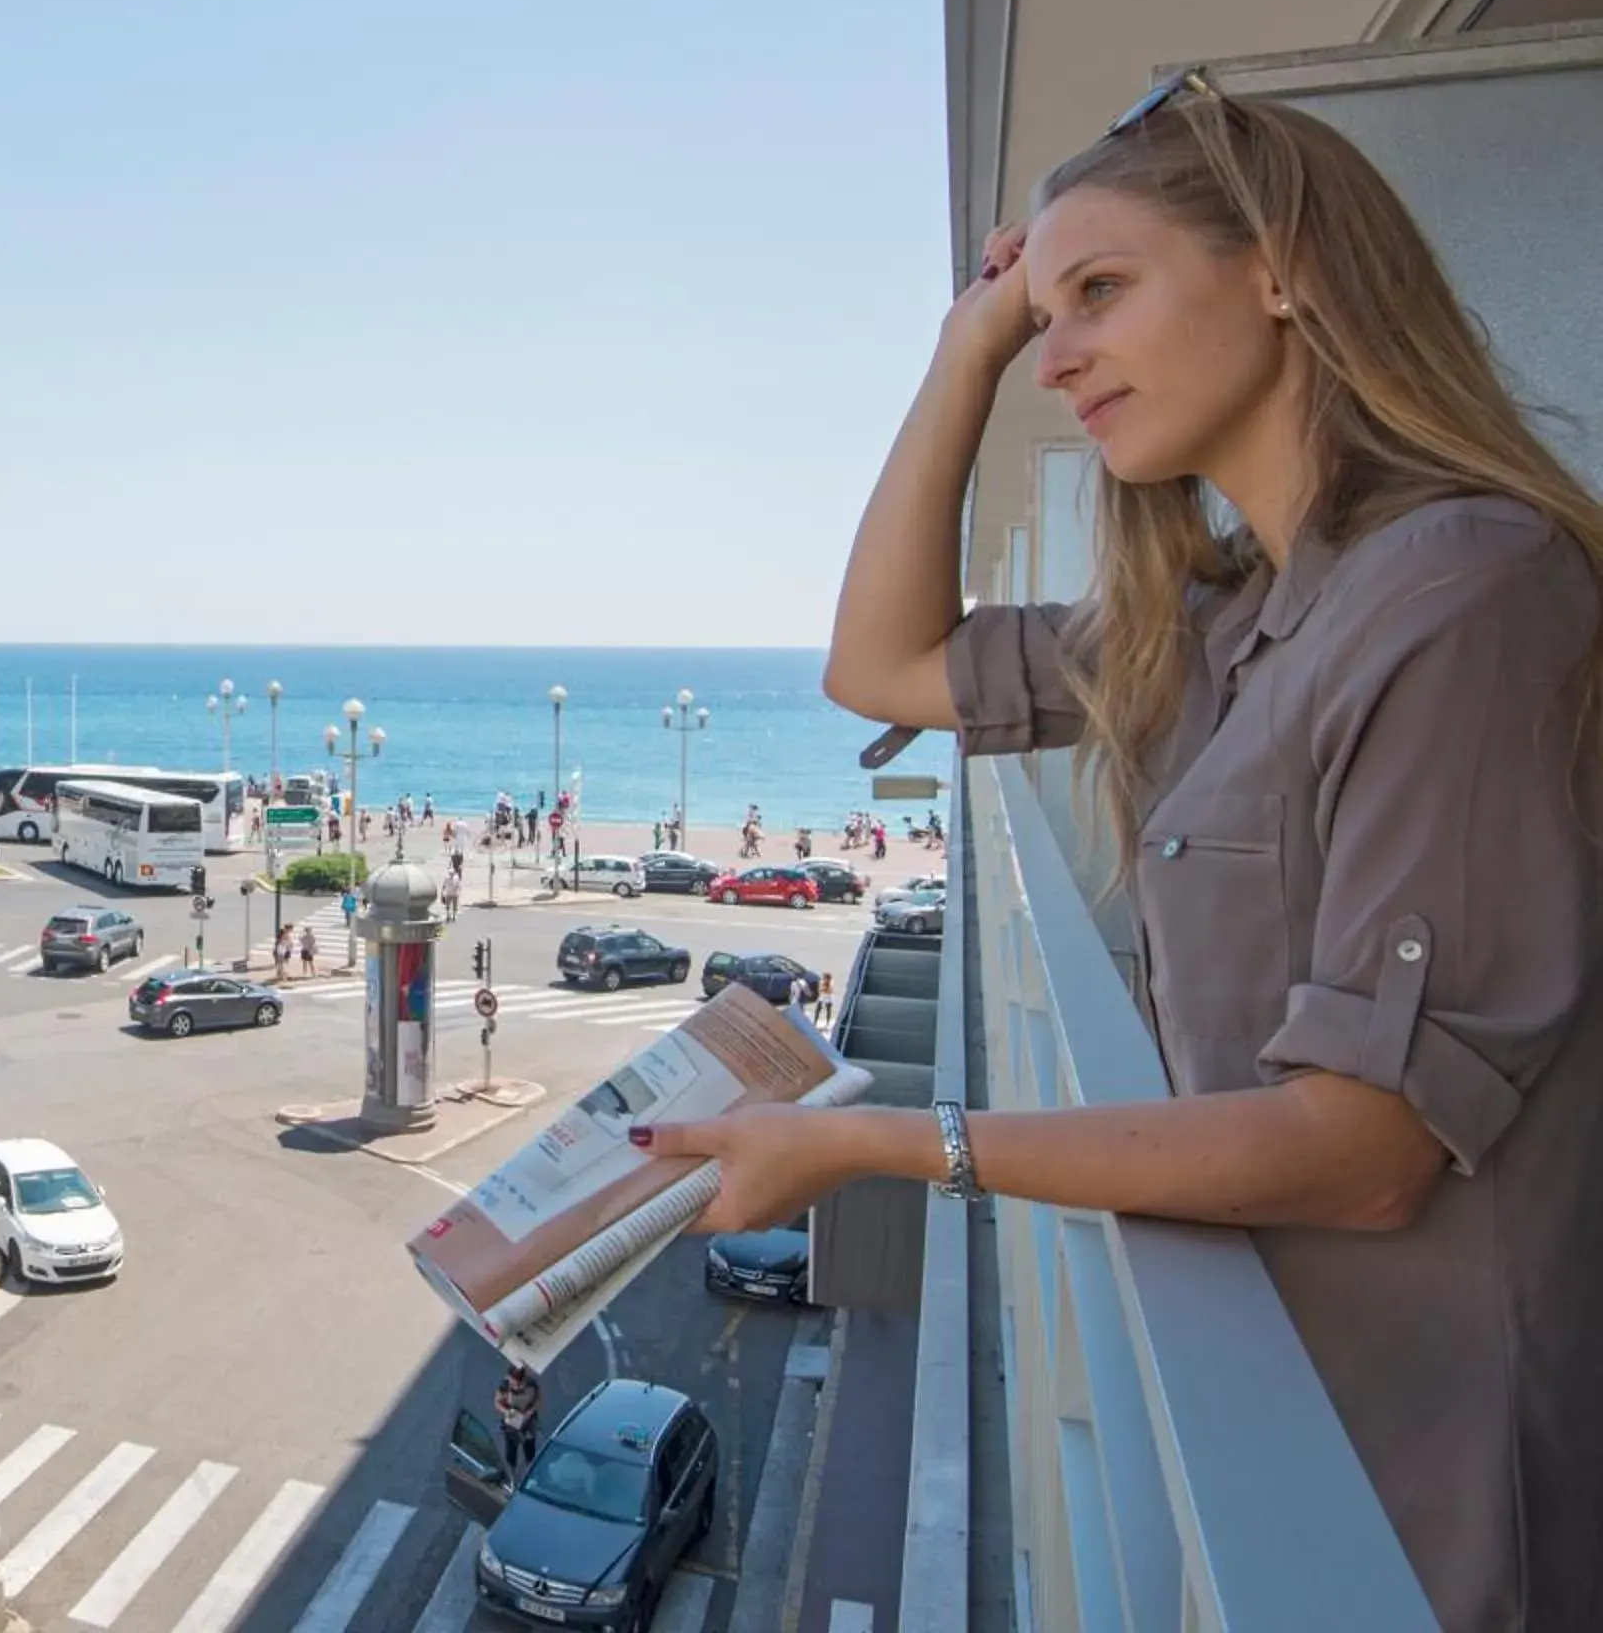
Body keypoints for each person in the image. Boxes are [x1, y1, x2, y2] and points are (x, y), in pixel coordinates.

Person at [651, 81, 1603, 1632]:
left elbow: (1363, 1154)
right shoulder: (1225, 622)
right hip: (1289, 1441)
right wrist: (966, 344)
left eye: (1101, 293)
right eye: (1046, 316)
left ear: (1282, 263)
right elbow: (882, 666)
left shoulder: (1467, 594)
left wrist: (878, 1143)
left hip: (1445, 1511)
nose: (1062, 354)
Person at [494, 1362, 541, 1475]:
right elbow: (497, 1402)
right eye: (514, 1383)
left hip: (528, 1422)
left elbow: (538, 1400)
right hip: (512, 1423)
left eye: (519, 1384)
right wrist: (507, 1412)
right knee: (511, 1451)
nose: (517, 1386)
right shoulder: (504, 1387)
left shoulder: (532, 1385)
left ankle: (531, 1471)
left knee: (530, 1449)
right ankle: (512, 1473)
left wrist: (529, 1412)